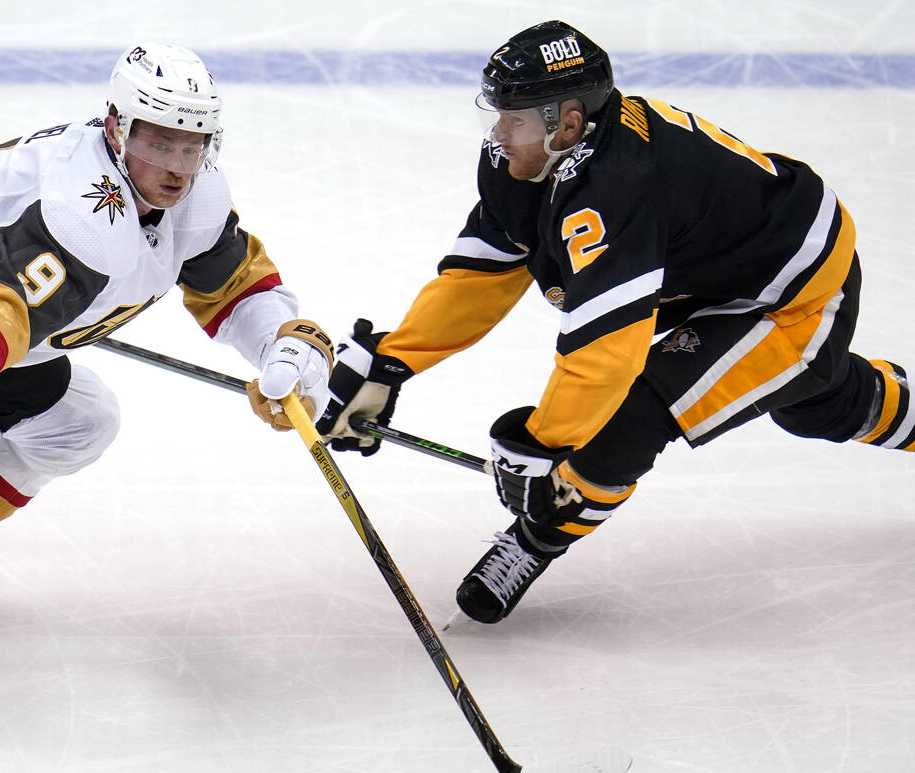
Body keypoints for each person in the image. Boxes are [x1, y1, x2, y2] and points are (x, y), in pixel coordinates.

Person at [0, 42, 333, 739]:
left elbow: (235, 283)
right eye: (159, 141)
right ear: (116, 128)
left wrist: (285, 340)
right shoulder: (81, 207)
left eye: (193, 145)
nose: (176, 166)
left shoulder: (194, 197)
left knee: (82, 418)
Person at [316, 20, 913, 625]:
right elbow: (485, 271)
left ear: (568, 123)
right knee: (818, 405)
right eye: (496, 115)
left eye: (513, 118)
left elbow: (605, 356)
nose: (498, 134)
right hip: (727, 270)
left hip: (792, 294)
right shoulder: (531, 156)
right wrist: (395, 360)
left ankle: (536, 539)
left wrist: (544, 445)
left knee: (635, 414)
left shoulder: (618, 186)